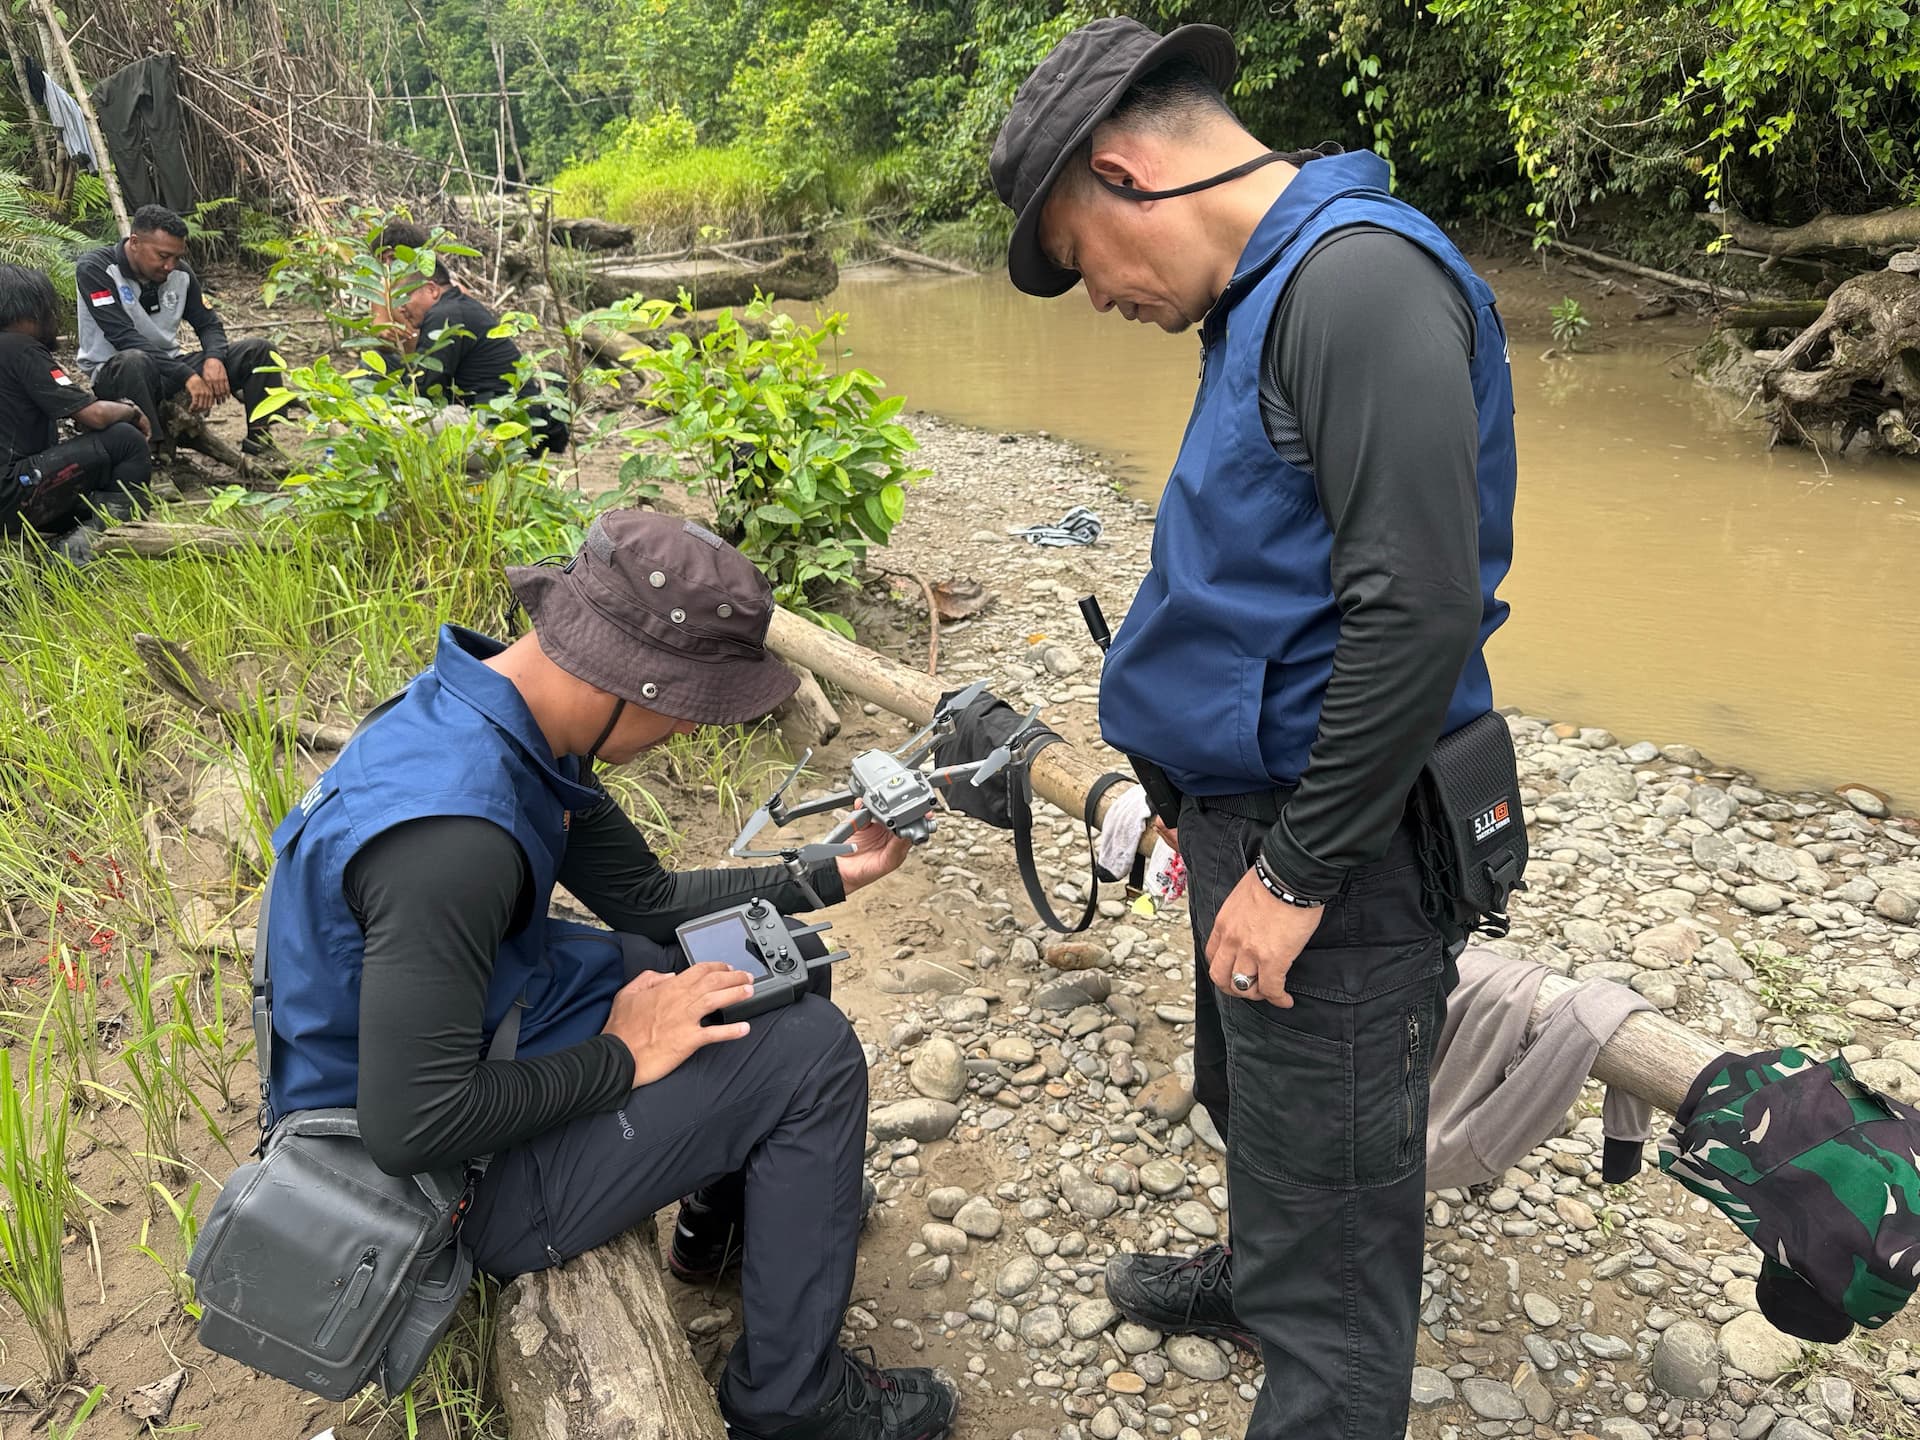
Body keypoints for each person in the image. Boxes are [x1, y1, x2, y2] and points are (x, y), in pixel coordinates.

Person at [991, 20, 1517, 1440]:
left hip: (1336, 850)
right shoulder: (1266, 296)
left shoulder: (1357, 284)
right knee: (1260, 1093)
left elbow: (1417, 615)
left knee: (1341, 1238)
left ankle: (1306, 1327)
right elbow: (1271, 579)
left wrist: (1292, 878)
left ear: (1124, 170)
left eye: (1079, 257)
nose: (1093, 299)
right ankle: (1256, 1264)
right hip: (1247, 817)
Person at [257, 508, 956, 1440]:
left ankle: (723, 1231)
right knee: (815, 1055)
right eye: (696, 707)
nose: (688, 732)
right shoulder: (452, 841)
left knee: (766, 957)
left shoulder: (500, 717)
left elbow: (644, 896)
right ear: (642, 679)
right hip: (436, 1184)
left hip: (493, 1027)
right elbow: (410, 1127)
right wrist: (629, 1054)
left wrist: (830, 870)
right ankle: (792, 1404)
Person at [74, 204, 281, 455]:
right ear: (135, 242)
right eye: (162, 256)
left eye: (177, 257)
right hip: (116, 373)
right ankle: (154, 455)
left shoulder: (180, 274)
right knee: (134, 360)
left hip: (168, 370)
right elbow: (123, 336)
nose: (170, 265)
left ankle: (261, 443)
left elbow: (208, 324)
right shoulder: (96, 269)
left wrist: (215, 358)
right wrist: (188, 375)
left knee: (260, 352)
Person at [368, 220, 569, 458]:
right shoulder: (449, 304)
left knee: (385, 424)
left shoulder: (445, 313)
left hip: (501, 427)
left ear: (431, 289)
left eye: (407, 297)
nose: (403, 307)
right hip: (495, 415)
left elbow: (425, 390)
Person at [0, 263, 152, 559]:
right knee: (125, 439)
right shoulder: (20, 347)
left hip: (15, 490)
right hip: (11, 490)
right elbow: (93, 415)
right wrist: (131, 411)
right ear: (28, 311)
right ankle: (78, 557)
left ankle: (75, 541)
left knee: (89, 504)